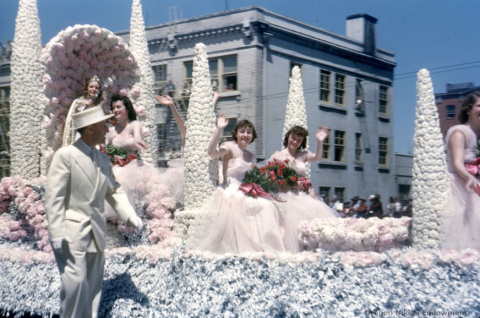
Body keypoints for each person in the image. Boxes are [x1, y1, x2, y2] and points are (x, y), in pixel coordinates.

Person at [45, 106, 143, 318]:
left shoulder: (102, 157)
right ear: (90, 129)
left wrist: (129, 214)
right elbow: (54, 197)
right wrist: (57, 232)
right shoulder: (65, 155)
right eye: (103, 124)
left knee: (92, 287)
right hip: (71, 233)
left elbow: (113, 189)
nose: (107, 128)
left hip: (96, 233)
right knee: (75, 285)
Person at [188, 115, 286, 254]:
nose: (245, 135)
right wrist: (219, 129)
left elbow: (252, 177)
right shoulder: (230, 147)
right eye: (242, 131)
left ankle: (264, 246)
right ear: (236, 134)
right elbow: (211, 152)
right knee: (262, 205)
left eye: (249, 132)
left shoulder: (252, 156)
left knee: (269, 205)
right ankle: (251, 247)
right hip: (230, 187)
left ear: (252, 136)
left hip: (243, 188)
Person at [269, 125, 338, 252]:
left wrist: (320, 141)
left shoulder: (302, 155)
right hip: (284, 196)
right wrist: (291, 184)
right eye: (293, 138)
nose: (295, 142)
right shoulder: (278, 156)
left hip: (300, 196)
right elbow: (274, 180)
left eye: (299, 140)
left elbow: (317, 157)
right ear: (288, 137)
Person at [441, 91, 480, 251]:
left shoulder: (475, 135)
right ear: (468, 110)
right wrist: (469, 178)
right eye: (479, 105)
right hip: (459, 186)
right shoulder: (459, 132)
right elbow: (458, 163)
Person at [63, 75, 105, 147]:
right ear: (87, 88)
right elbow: (76, 117)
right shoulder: (79, 102)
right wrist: (86, 105)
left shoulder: (99, 105)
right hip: (81, 134)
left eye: (96, 88)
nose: (94, 89)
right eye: (91, 87)